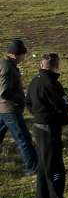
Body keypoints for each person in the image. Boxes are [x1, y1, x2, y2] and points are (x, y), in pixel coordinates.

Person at [26, 53, 68, 198]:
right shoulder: (52, 84)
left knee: (43, 168)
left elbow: (28, 102)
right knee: (55, 169)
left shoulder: (35, 81)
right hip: (50, 128)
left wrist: (38, 115)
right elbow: (63, 104)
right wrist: (60, 118)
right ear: (55, 65)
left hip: (38, 127)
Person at [0, 40, 36, 175]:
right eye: (23, 55)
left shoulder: (4, 63)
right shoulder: (8, 67)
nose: (24, 58)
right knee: (23, 139)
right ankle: (33, 167)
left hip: (2, 108)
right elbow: (4, 91)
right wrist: (21, 98)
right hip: (9, 109)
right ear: (15, 55)